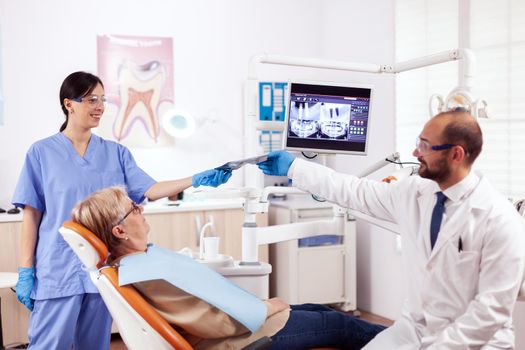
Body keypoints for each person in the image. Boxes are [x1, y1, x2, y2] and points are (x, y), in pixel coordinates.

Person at [257, 110, 525, 349]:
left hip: (474, 343)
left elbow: (490, 313)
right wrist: (294, 167)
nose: (415, 153)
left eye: (425, 145)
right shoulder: (415, 192)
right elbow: (355, 191)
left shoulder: (499, 219)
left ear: (456, 154)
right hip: (412, 332)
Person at [12, 71, 232, 350]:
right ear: (69, 104)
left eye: (103, 100)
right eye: (92, 99)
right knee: (48, 345)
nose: (100, 107)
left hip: (101, 268)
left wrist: (196, 178)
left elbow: (150, 189)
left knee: (94, 346)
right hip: (57, 269)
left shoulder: (116, 153)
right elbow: (31, 216)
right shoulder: (41, 153)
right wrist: (25, 271)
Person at [71, 186, 386, 350]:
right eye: (132, 209)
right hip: (242, 341)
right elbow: (213, 323)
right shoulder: (145, 273)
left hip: (245, 328)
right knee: (342, 325)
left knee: (323, 311)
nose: (141, 209)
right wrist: (266, 307)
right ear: (120, 231)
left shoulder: (140, 261)